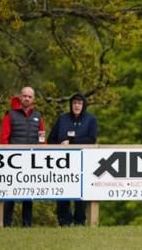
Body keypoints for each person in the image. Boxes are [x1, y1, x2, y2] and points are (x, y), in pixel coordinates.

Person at [47, 93, 98, 227]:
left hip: (82, 162)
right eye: (74, 103)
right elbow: (50, 139)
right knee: (63, 192)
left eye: (79, 103)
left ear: (83, 105)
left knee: (80, 194)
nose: (76, 106)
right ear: (71, 105)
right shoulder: (62, 119)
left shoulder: (90, 119)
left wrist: (73, 142)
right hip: (62, 163)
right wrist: (60, 145)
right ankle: (64, 222)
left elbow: (92, 139)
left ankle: (80, 222)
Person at [0, 86, 45, 227]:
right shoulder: (10, 115)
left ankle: (27, 225)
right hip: (12, 161)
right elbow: (3, 139)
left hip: (31, 161)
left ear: (33, 99)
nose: (27, 99)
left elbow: (42, 139)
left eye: (29, 97)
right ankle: (6, 225)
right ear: (20, 97)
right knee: (10, 195)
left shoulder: (38, 116)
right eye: (24, 96)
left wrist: (42, 155)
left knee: (28, 195)